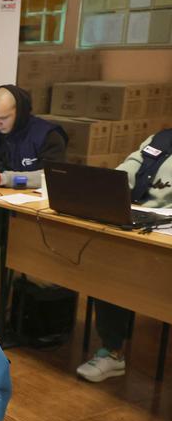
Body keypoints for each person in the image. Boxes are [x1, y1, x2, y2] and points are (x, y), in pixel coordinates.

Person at [77, 127, 172, 382]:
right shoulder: (160, 139)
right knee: (109, 260)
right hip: (140, 220)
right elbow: (127, 170)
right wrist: (106, 190)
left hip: (166, 231)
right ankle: (113, 352)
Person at [0, 85, 67, 307]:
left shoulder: (47, 136)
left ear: (20, 112)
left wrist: (3, 178)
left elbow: (48, 178)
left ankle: (3, 306)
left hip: (28, 216)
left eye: (3, 118)